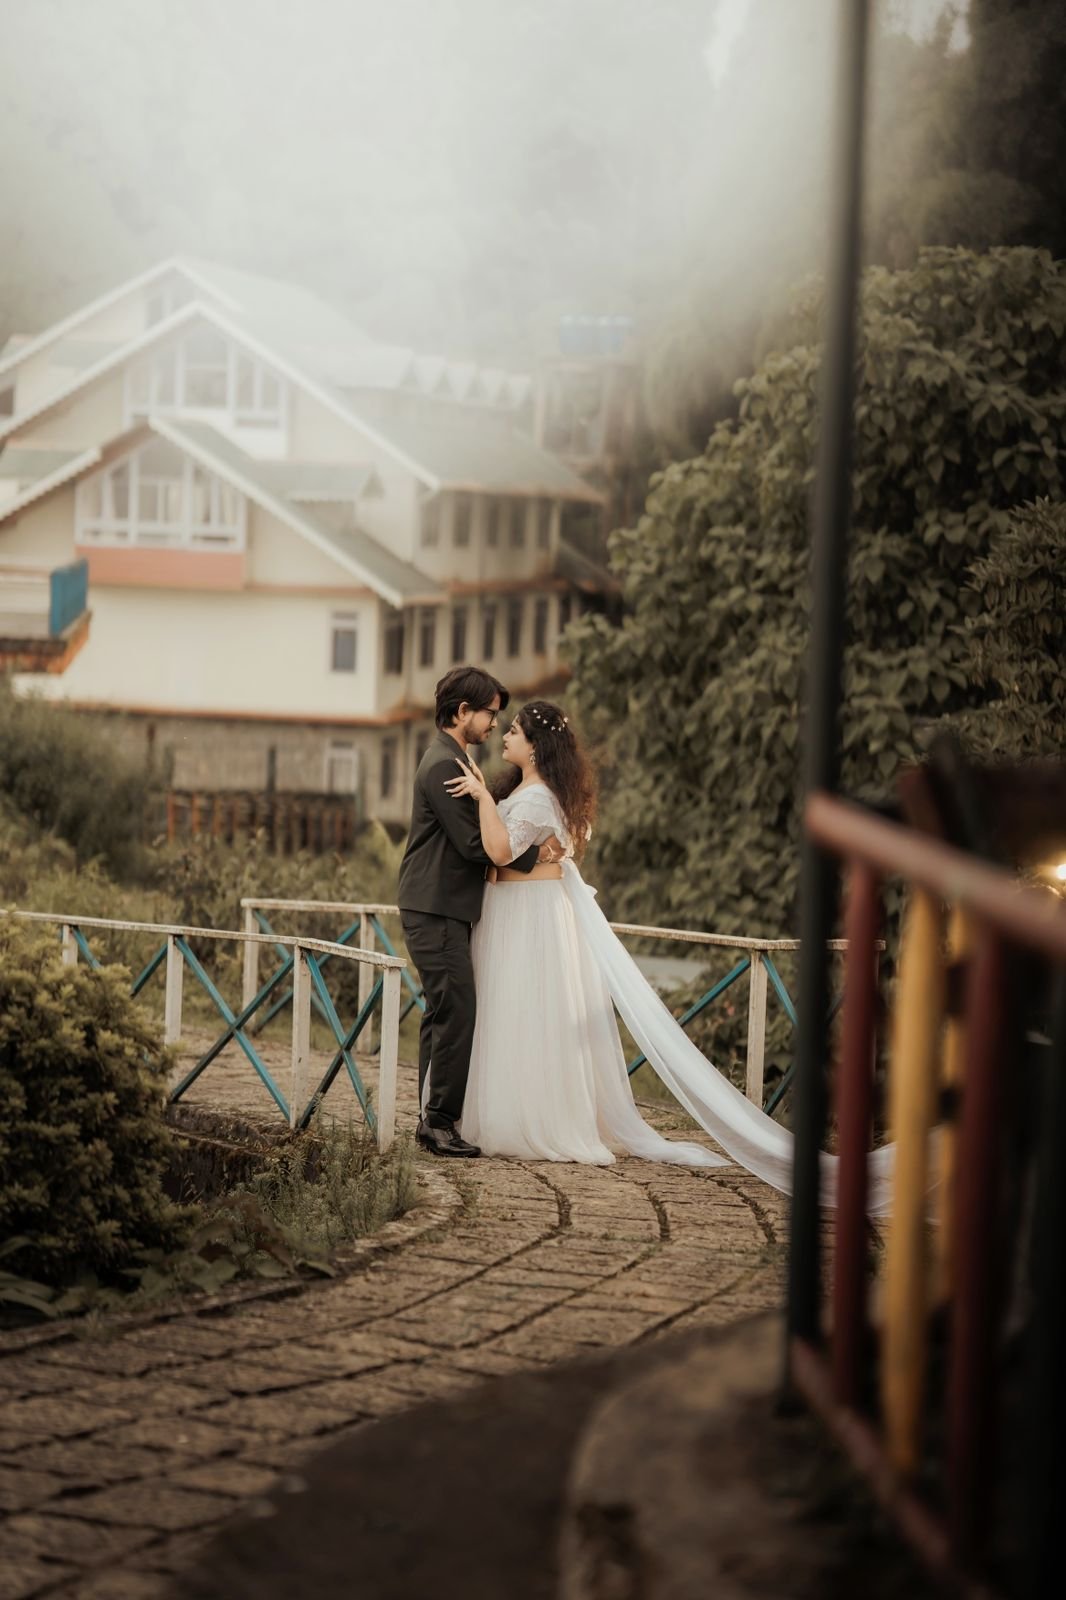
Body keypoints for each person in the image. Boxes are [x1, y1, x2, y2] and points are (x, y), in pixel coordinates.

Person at [446, 699, 896, 1209]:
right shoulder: (532, 792)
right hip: (518, 907)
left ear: (536, 746)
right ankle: (514, 1107)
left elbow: (501, 852)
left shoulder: (535, 797)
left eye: (515, 730)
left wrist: (482, 798)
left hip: (527, 912)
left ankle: (529, 1119)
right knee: (518, 1010)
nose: (506, 736)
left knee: (524, 1008)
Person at [397, 667, 560, 1158]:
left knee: (442, 1010)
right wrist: (539, 855)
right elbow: (475, 845)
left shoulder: (456, 759)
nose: (495, 724)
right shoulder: (444, 766)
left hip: (441, 905)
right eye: (490, 714)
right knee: (457, 1009)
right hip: (436, 906)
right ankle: (440, 1124)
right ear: (463, 711)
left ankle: (431, 1117)